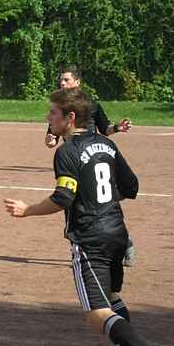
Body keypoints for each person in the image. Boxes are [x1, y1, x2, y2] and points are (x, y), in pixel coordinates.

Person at [4, 87, 173, 346]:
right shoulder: (106, 144)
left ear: (70, 117)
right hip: (118, 232)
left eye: (53, 112)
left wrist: (27, 210)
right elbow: (131, 186)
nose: (48, 117)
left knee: (97, 315)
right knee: (111, 297)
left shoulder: (66, 152)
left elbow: (63, 198)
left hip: (90, 238)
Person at [46, 67, 137, 269]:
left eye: (66, 80)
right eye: (61, 80)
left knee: (97, 205)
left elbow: (105, 129)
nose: (62, 83)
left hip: (93, 158)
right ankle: (93, 248)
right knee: (80, 205)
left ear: (77, 82)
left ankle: (123, 241)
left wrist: (118, 128)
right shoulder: (59, 108)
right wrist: (51, 140)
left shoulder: (91, 105)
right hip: (75, 161)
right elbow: (52, 137)